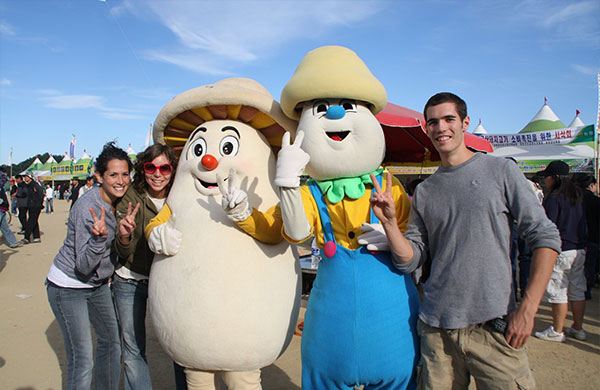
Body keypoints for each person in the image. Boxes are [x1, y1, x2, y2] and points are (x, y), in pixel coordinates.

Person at [371, 92, 561, 389]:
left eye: (449, 119)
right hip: (437, 331)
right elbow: (411, 260)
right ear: (426, 128)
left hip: (494, 329)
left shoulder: (500, 171)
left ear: (465, 123)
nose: (440, 128)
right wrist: (391, 224)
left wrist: (528, 308)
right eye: (432, 122)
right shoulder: (426, 191)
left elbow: (545, 236)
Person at [45, 142, 132, 390]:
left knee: (112, 343)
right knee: (82, 358)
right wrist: (98, 239)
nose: (120, 181)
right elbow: (83, 266)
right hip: (68, 285)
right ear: (98, 176)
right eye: (113, 174)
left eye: (125, 174)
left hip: (97, 285)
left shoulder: (122, 200)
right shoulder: (88, 208)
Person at [112, 144, 180, 390]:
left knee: (179, 346)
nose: (158, 173)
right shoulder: (131, 196)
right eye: (151, 167)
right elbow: (123, 253)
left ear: (173, 170)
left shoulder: (181, 196)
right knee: (133, 347)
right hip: (130, 280)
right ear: (143, 168)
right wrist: (125, 235)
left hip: (169, 282)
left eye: (165, 167)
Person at [534, 161, 588, 342]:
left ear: (555, 178)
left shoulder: (554, 198)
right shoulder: (578, 195)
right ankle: (578, 328)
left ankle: (557, 330)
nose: (546, 180)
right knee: (577, 290)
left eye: (547, 177)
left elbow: (548, 226)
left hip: (561, 250)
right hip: (579, 248)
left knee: (558, 290)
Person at [573, 173, 599, 300]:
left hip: (576, 239)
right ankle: (586, 291)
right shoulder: (596, 201)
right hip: (593, 238)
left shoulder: (573, 200)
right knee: (590, 266)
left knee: (576, 268)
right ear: (592, 185)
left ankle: (577, 290)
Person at [0, 169, 22, 248]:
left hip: (2, 208)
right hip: (1, 207)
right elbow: (4, 179)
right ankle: (13, 242)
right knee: (5, 226)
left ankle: (13, 242)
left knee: (5, 226)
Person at [22, 172, 43, 244]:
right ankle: (36, 237)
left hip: (36, 206)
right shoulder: (27, 185)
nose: (25, 178)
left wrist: (40, 204)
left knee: (30, 222)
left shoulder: (35, 185)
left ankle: (26, 237)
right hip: (30, 206)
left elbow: (41, 194)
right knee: (34, 221)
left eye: (26, 176)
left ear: (30, 177)